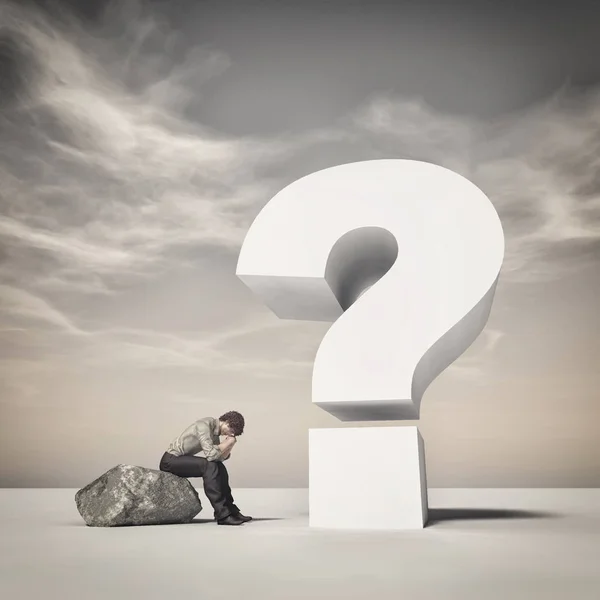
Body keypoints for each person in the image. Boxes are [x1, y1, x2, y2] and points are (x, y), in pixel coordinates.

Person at [159, 410, 251, 526]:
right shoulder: (204, 425)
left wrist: (230, 445)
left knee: (219, 467)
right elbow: (211, 455)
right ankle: (222, 515)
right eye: (232, 431)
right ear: (226, 422)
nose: (230, 435)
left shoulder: (215, 433)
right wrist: (227, 443)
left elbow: (218, 459)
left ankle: (231, 510)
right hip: (170, 461)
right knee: (209, 466)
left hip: (180, 460)